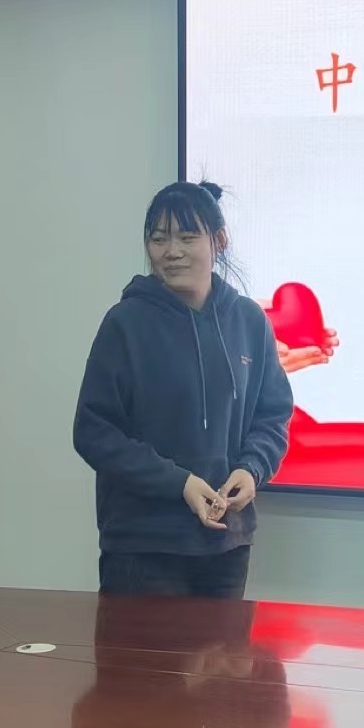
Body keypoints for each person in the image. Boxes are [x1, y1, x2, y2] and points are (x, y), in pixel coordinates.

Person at [74, 181, 293, 600]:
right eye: (159, 239)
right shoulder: (125, 324)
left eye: (187, 237)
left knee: (225, 648)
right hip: (143, 546)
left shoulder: (249, 321)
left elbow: (272, 416)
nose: (171, 251)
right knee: (140, 648)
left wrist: (251, 469)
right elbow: (93, 431)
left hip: (227, 545)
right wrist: (179, 483)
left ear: (219, 241)